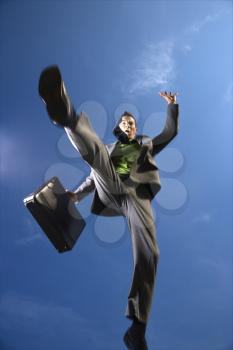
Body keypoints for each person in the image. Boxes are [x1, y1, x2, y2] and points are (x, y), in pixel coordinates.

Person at [38, 65, 179, 350]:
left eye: (133, 123)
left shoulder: (146, 144)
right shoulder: (109, 148)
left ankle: (137, 328)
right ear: (119, 126)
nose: (130, 125)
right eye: (126, 123)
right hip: (110, 186)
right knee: (97, 154)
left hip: (136, 196)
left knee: (151, 252)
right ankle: (67, 116)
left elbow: (170, 132)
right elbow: (94, 175)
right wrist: (76, 195)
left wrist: (173, 107)